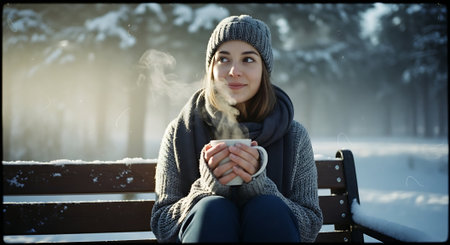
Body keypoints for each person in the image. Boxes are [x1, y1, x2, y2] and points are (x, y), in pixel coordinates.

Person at [151, 15, 323, 243]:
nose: (234, 71)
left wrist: (260, 185)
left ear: (264, 70)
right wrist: (208, 185)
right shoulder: (180, 131)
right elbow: (162, 223)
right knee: (212, 209)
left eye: (248, 60)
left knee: (268, 208)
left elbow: (310, 225)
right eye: (223, 59)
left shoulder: (293, 135)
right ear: (211, 68)